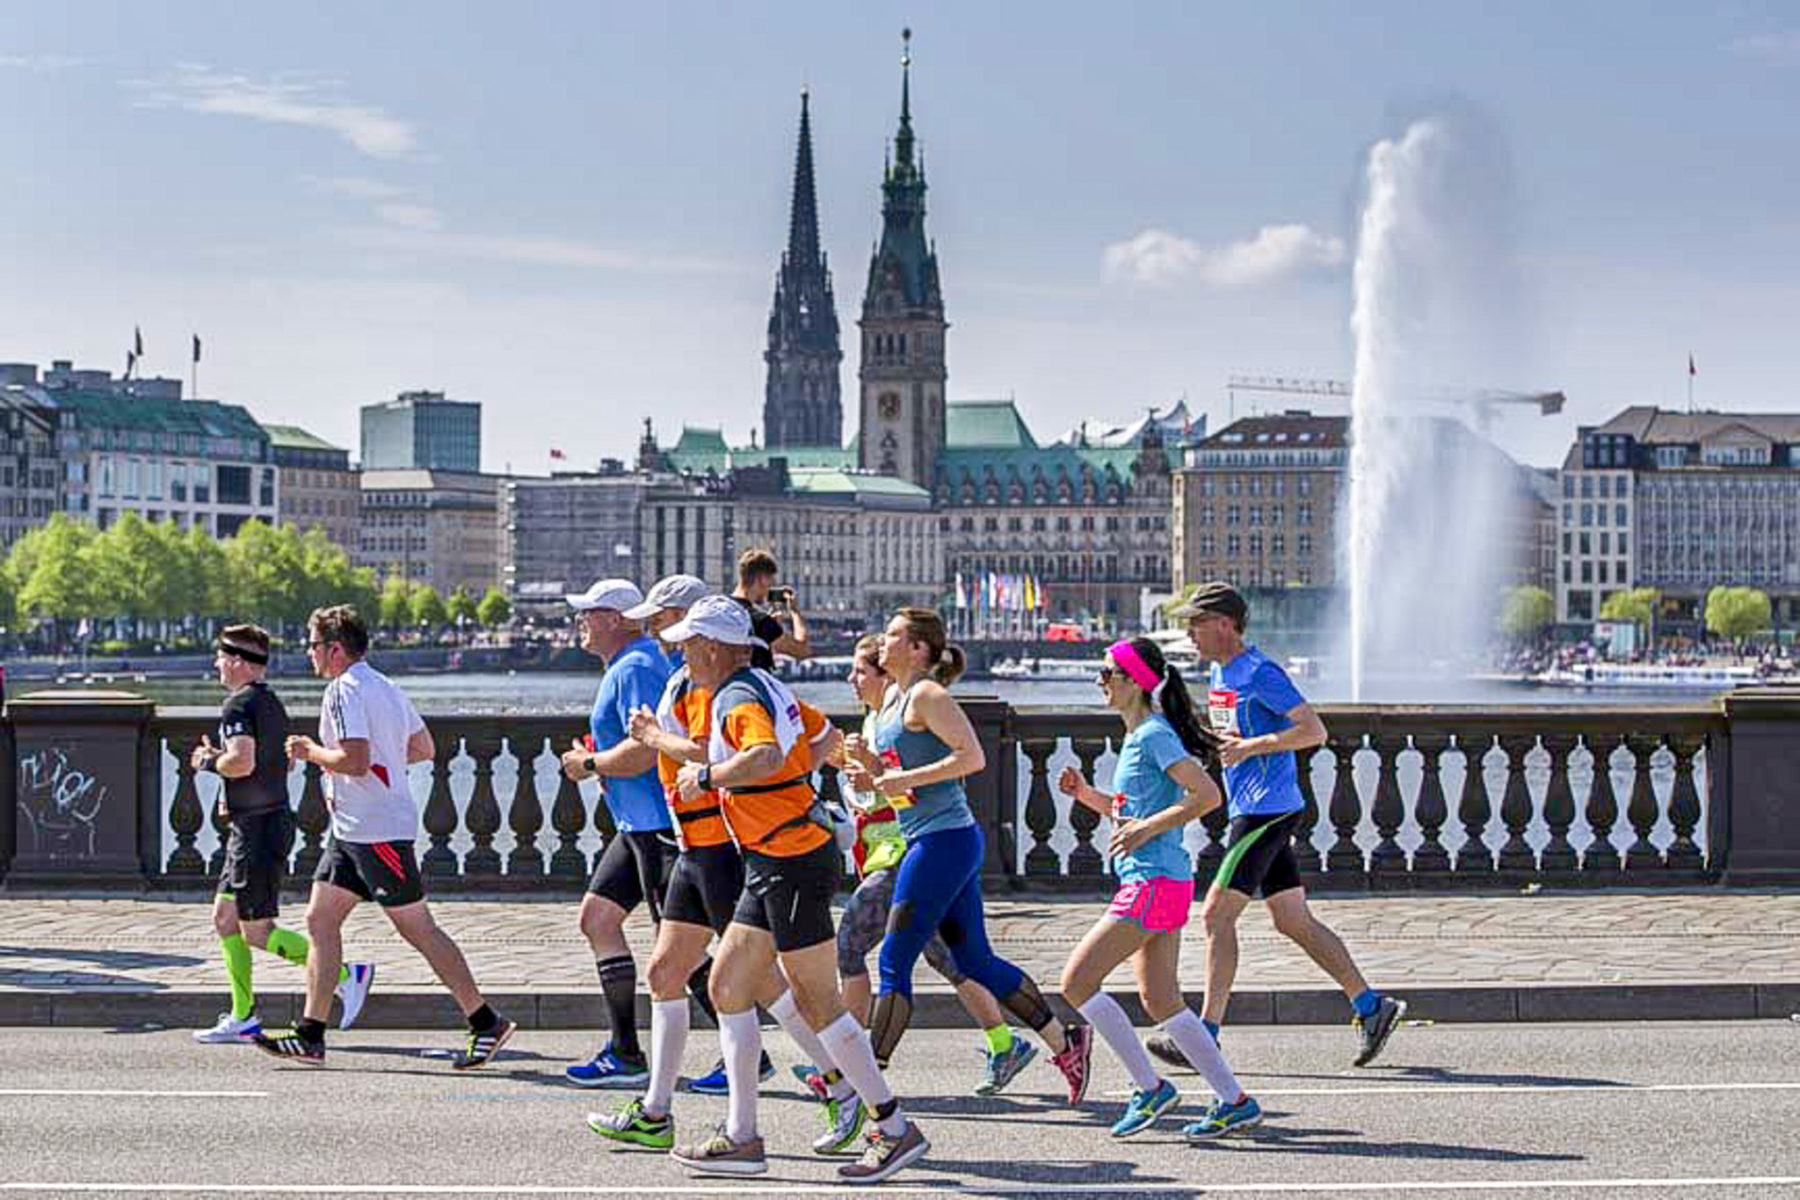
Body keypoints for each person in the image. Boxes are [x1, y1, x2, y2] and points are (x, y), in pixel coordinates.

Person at [651, 596, 922, 1183]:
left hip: (792, 860)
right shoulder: (757, 685)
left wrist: (706, 775)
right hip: (774, 857)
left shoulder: (738, 695)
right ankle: (743, 1137)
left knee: (817, 1001)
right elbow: (814, 742)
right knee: (726, 984)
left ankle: (894, 1126)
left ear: (716, 648)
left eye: (690, 643)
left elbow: (764, 754)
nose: (682, 653)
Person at [589, 595, 866, 1160]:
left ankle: (839, 1085)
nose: (664, 633)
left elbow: (726, 752)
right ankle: (656, 1113)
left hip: (725, 849)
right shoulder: (684, 683)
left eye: (667, 622)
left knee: (759, 986)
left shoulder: (726, 689)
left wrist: (654, 741)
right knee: (667, 972)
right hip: (689, 846)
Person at [841, 606, 1093, 1105]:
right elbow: (902, 784)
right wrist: (873, 771)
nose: (882, 643)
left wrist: (902, 779)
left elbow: (971, 758)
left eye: (892, 636)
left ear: (917, 649)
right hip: (930, 838)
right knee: (973, 959)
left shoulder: (927, 695)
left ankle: (863, 1088)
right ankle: (1066, 1042)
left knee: (894, 959)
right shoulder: (891, 698)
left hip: (944, 843)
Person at [253, 605, 512, 1068]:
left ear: (334, 649)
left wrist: (311, 751)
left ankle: (485, 1021)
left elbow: (354, 759)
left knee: (418, 928)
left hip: (377, 834)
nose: (308, 653)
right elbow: (423, 747)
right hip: (353, 831)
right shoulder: (385, 686)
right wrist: (384, 770)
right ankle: (311, 1033)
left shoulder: (342, 689)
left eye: (313, 645)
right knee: (320, 919)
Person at [1174, 581, 1405, 1067]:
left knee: (1216, 915)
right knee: (1292, 920)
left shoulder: (1260, 672)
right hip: (1251, 805)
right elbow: (1233, 734)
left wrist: (1253, 748)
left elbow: (1313, 730)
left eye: (1196, 623)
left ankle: (1204, 1035)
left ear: (1224, 623)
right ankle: (1371, 1005)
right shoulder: (1219, 672)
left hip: (1267, 807)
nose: (1190, 632)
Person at [1056, 635, 1263, 1142]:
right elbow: (1134, 812)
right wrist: (1087, 795)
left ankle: (1149, 1088)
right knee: (1162, 1000)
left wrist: (1146, 831)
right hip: (1160, 879)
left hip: (1153, 881)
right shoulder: (1139, 737)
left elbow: (1207, 796)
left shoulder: (1153, 735)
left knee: (1077, 983)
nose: (1100, 681)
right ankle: (1235, 1101)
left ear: (1133, 681)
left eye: (1108, 672)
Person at [830, 634, 1029, 1096]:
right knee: (948, 957)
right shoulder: (877, 720)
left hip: (907, 856)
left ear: (886, 675)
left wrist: (872, 775)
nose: (852, 679)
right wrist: (863, 770)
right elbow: (890, 791)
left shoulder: (904, 717)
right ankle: (1006, 1043)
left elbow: (909, 793)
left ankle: (846, 1066)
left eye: (861, 670)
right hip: (896, 854)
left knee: (851, 945)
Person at [558, 578, 714, 1089]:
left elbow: (651, 747)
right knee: (597, 919)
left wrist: (589, 762)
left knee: (679, 947)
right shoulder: (630, 665)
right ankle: (625, 1051)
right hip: (635, 826)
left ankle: (748, 1048)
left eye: (589, 613)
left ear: (616, 620)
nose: (581, 621)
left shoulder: (639, 666)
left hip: (656, 826)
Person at [190, 624, 374, 1043]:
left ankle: (347, 975)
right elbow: (281, 763)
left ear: (237, 661)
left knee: (256, 930)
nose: (217, 665)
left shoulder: (237, 706)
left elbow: (241, 762)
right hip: (259, 824)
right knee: (224, 919)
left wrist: (208, 761)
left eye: (220, 658)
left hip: (257, 831)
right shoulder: (270, 703)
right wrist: (230, 791)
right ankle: (242, 1016)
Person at [730, 548, 811, 671]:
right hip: (752, 686)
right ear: (762, 579)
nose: (770, 588)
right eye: (771, 582)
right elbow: (802, 649)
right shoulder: (761, 622)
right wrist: (795, 612)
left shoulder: (723, 610)